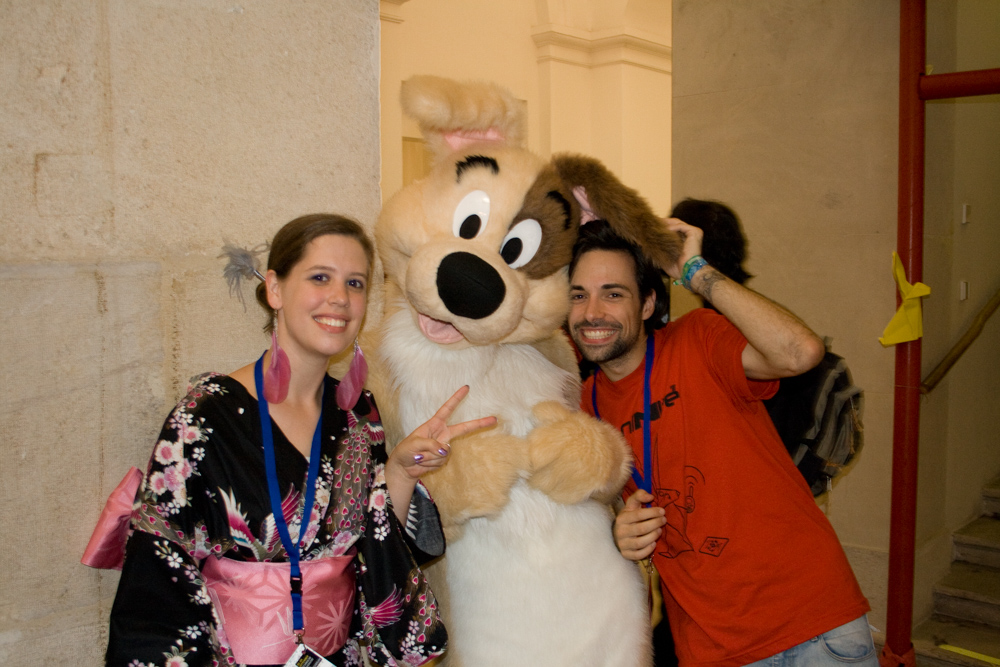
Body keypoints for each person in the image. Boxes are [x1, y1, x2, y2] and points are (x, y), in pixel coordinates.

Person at [105, 214, 496, 666]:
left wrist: (401, 472)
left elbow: (372, 541)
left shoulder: (357, 417)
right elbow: (158, 570)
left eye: (355, 283)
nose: (340, 298)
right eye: (319, 277)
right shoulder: (206, 416)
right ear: (275, 289)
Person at [567, 218, 875, 667]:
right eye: (579, 295)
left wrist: (695, 271)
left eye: (613, 293)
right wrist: (617, 532)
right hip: (710, 646)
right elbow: (593, 514)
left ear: (649, 303)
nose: (592, 311)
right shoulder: (581, 409)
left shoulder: (698, 339)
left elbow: (799, 353)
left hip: (811, 624)